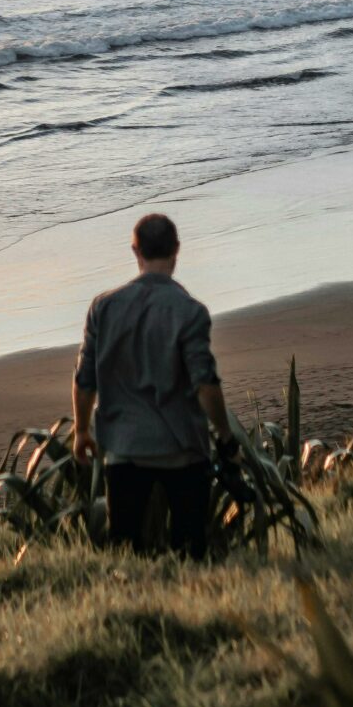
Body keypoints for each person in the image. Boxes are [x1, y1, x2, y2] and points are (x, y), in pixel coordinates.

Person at [72, 211, 242, 558]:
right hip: (181, 448)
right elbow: (205, 384)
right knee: (189, 548)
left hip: (124, 448)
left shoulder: (103, 307)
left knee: (126, 550)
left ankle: (137, 605)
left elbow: (84, 381)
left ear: (135, 251)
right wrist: (225, 436)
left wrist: (81, 430)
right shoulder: (190, 310)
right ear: (176, 250)